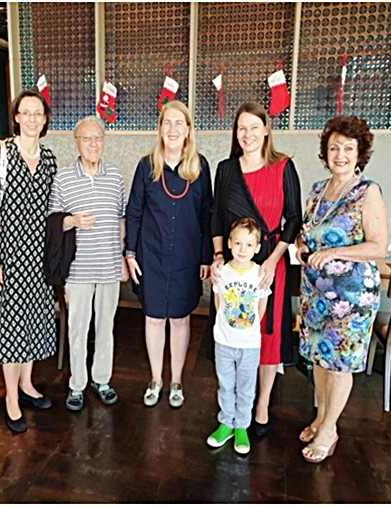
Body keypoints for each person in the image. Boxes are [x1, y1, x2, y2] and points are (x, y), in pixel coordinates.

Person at [296, 115, 388, 463]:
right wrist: (303, 245)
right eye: (334, 147)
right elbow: (307, 232)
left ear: (360, 152)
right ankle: (320, 418)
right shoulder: (319, 190)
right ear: (326, 151)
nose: (341, 154)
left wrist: (335, 252)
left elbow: (379, 246)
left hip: (350, 298)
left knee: (339, 365)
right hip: (316, 294)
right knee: (319, 359)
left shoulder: (368, 192)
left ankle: (330, 429)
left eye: (348, 148)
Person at [210, 101, 302, 436]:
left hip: (268, 265)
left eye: (253, 127)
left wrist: (274, 258)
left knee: (267, 333)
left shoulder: (283, 167)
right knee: (232, 328)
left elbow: (294, 219)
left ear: (266, 130)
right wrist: (219, 255)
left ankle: (260, 403)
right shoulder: (225, 169)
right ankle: (228, 406)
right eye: (241, 128)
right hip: (233, 265)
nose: (247, 134)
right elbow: (216, 216)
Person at [0, 89, 58, 433]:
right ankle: (11, 397)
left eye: (37, 113)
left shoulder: (50, 158)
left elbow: (54, 211)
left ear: (44, 120)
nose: (31, 119)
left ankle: (27, 384)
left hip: (39, 256)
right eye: (25, 113)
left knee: (34, 323)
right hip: (9, 255)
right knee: (11, 327)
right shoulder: (1, 153)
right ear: (16, 117)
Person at [125, 100, 213, 408]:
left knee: (179, 320)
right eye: (167, 123)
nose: (173, 129)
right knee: (152, 319)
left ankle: (176, 381)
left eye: (179, 123)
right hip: (152, 256)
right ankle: (155, 379)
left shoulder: (200, 167)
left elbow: (207, 215)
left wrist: (205, 256)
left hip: (187, 258)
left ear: (188, 130)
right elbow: (134, 211)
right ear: (160, 128)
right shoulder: (146, 165)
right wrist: (130, 252)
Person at [48, 115, 128, 411]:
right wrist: (72, 220)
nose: (93, 143)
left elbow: (121, 219)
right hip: (78, 270)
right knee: (77, 328)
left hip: (108, 266)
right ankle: (77, 384)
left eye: (98, 138)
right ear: (76, 143)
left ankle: (102, 379)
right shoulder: (64, 179)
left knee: (106, 326)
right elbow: (53, 222)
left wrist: (121, 256)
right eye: (86, 138)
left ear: (103, 142)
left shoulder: (115, 176)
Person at [207, 218, 271, 455]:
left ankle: (242, 426)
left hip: (250, 345)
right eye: (238, 243)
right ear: (230, 244)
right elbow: (218, 302)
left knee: (245, 387)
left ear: (257, 248)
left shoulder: (259, 274)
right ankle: (226, 423)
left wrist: (248, 327)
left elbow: (261, 308)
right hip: (223, 342)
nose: (243, 249)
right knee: (225, 385)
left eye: (248, 244)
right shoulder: (221, 273)